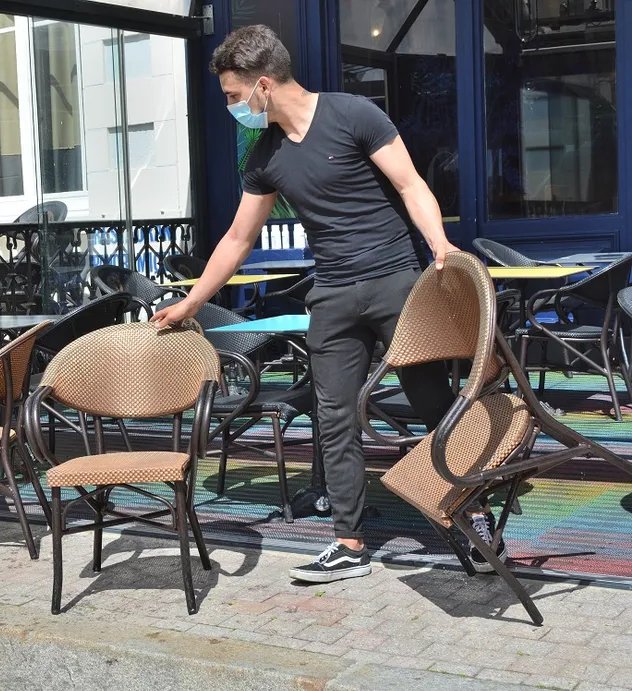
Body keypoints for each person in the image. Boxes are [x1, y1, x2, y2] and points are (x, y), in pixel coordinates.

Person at [152, 26, 505, 583]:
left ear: (262, 85)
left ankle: (475, 514)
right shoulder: (264, 155)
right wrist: (192, 303)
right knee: (334, 417)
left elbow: (411, 185)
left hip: (396, 284)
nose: (230, 106)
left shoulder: (353, 114)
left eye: (232, 94)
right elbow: (238, 238)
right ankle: (348, 542)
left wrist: (440, 243)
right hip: (334, 296)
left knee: (432, 400)